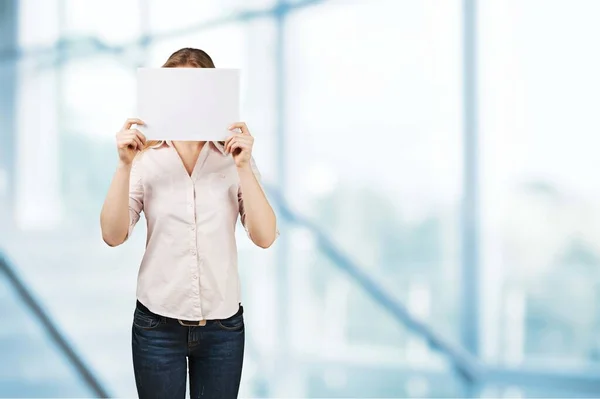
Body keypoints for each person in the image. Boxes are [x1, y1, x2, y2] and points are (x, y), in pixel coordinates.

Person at [100, 48, 278, 399]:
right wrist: (123, 166)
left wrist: (244, 166)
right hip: (156, 327)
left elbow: (265, 236)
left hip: (222, 329)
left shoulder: (233, 158)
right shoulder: (146, 159)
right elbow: (112, 234)